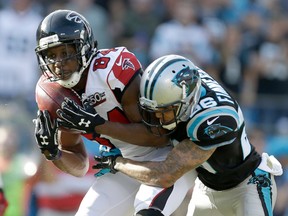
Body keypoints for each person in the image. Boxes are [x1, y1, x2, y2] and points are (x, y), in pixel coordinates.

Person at [33, 9, 194, 216]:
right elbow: (80, 166)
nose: (58, 63)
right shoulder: (53, 94)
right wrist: (54, 153)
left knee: (148, 211)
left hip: (169, 154)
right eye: (51, 55)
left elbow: (158, 135)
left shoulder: (111, 71)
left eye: (65, 52)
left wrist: (97, 124)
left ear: (84, 47)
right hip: (124, 163)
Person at [94, 54, 283, 216]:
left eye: (165, 111)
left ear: (188, 102)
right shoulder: (178, 84)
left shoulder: (213, 120)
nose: (156, 119)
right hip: (207, 188)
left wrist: (117, 162)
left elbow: (164, 174)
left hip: (246, 185)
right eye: (152, 111)